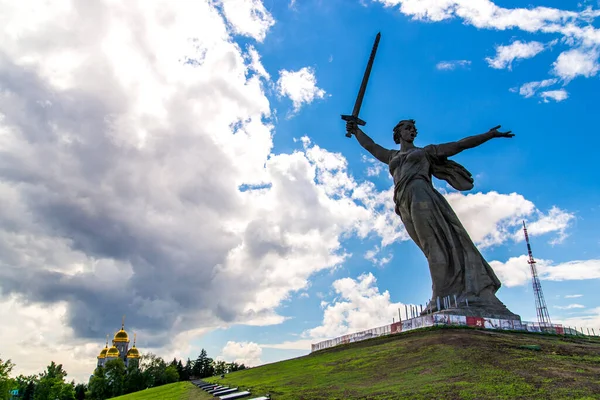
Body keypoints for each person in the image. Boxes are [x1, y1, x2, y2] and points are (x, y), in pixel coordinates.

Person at [346, 119, 515, 314]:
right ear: (398, 132)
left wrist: (489, 135)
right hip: (402, 203)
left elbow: (459, 145)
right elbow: (371, 146)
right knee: (428, 249)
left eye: (414, 129)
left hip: (422, 195)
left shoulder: (426, 152)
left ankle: (440, 297)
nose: (412, 131)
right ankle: (445, 294)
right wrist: (356, 130)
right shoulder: (391, 155)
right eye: (408, 128)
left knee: (433, 245)